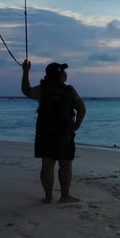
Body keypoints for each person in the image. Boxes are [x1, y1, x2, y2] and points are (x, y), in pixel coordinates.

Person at [21, 59, 86, 203]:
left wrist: (25, 71)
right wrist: (77, 124)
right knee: (65, 165)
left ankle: (48, 197)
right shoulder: (70, 90)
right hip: (65, 133)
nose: (65, 73)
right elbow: (81, 108)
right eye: (63, 71)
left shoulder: (42, 89)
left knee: (47, 165)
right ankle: (65, 196)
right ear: (61, 75)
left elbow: (26, 90)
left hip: (45, 133)